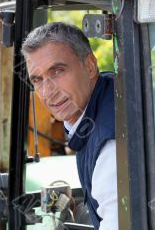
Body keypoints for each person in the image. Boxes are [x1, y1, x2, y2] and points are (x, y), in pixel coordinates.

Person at [21, 22, 118, 229]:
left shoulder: (110, 147)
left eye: (58, 71)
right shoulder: (110, 93)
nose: (48, 92)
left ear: (90, 66)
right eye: (37, 80)